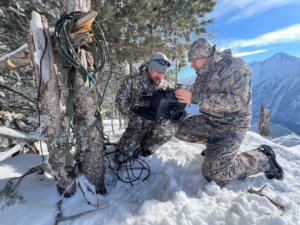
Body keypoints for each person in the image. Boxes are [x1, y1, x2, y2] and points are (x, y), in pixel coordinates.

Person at [174, 38, 284, 185]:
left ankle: (263, 158)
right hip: (210, 121)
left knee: (215, 174)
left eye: (193, 61)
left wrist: (195, 98)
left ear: (205, 56)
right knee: (177, 128)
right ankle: (216, 150)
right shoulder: (203, 73)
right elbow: (196, 94)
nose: (191, 65)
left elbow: (238, 101)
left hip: (232, 126)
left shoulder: (236, 66)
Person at [115, 52, 178, 163]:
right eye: (158, 72)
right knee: (120, 159)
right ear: (150, 68)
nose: (161, 76)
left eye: (163, 73)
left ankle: (148, 148)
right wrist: (136, 109)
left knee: (172, 127)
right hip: (136, 129)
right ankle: (136, 145)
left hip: (156, 129)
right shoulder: (133, 80)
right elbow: (120, 102)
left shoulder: (165, 85)